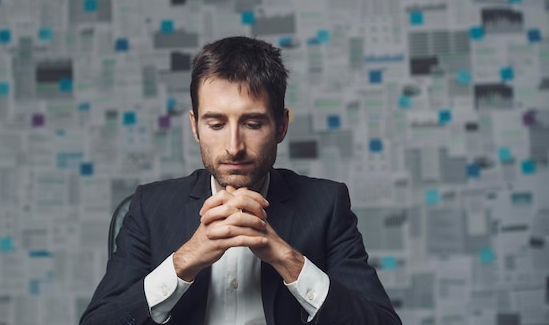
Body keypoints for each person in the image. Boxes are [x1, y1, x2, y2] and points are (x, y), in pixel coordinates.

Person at [79, 36, 401, 325]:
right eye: (216, 124)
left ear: (281, 126)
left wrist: (286, 258)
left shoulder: (327, 205)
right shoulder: (150, 208)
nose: (234, 146)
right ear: (195, 127)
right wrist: (183, 262)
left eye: (252, 123)